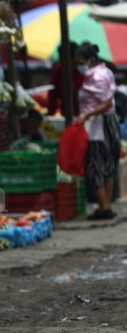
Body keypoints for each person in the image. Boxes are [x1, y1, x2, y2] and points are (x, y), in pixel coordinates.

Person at [75, 42, 121, 220]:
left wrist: (87, 115)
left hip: (98, 125)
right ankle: (106, 206)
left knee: (95, 167)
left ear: (90, 60)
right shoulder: (106, 71)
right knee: (108, 166)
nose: (78, 65)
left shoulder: (96, 76)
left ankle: (104, 206)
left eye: (80, 61)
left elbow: (107, 103)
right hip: (107, 123)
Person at [48, 42, 84, 116]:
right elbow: (53, 96)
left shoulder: (85, 72)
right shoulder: (59, 72)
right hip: (66, 115)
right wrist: (50, 114)